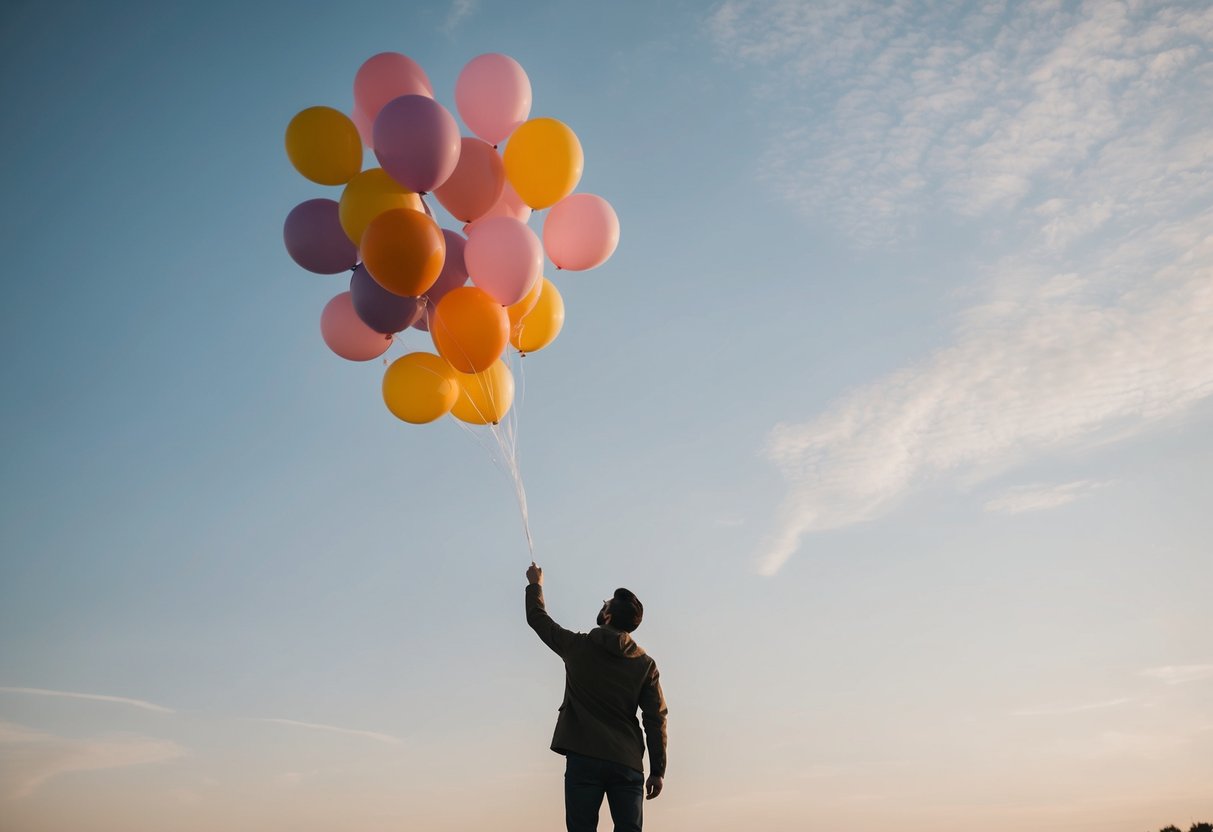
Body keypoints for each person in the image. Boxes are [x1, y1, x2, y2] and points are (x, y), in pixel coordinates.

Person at [525, 561, 667, 832]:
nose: (603, 605)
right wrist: (658, 770)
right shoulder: (645, 664)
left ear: (609, 616)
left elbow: (538, 619)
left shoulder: (577, 647)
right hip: (627, 762)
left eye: (606, 603)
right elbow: (655, 719)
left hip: (584, 757)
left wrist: (535, 585)